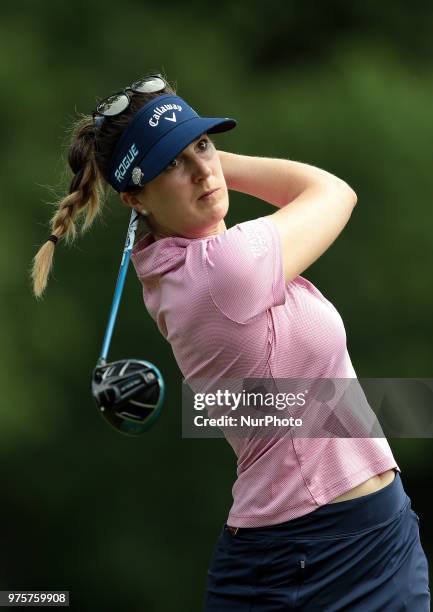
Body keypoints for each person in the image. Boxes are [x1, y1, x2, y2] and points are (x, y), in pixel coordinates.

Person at [31, 73, 430, 610]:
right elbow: (335, 191)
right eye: (173, 163)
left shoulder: (172, 267)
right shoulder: (226, 268)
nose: (202, 169)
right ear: (136, 197)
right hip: (310, 556)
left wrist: (194, 162)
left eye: (203, 145)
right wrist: (218, 167)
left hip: (369, 537)